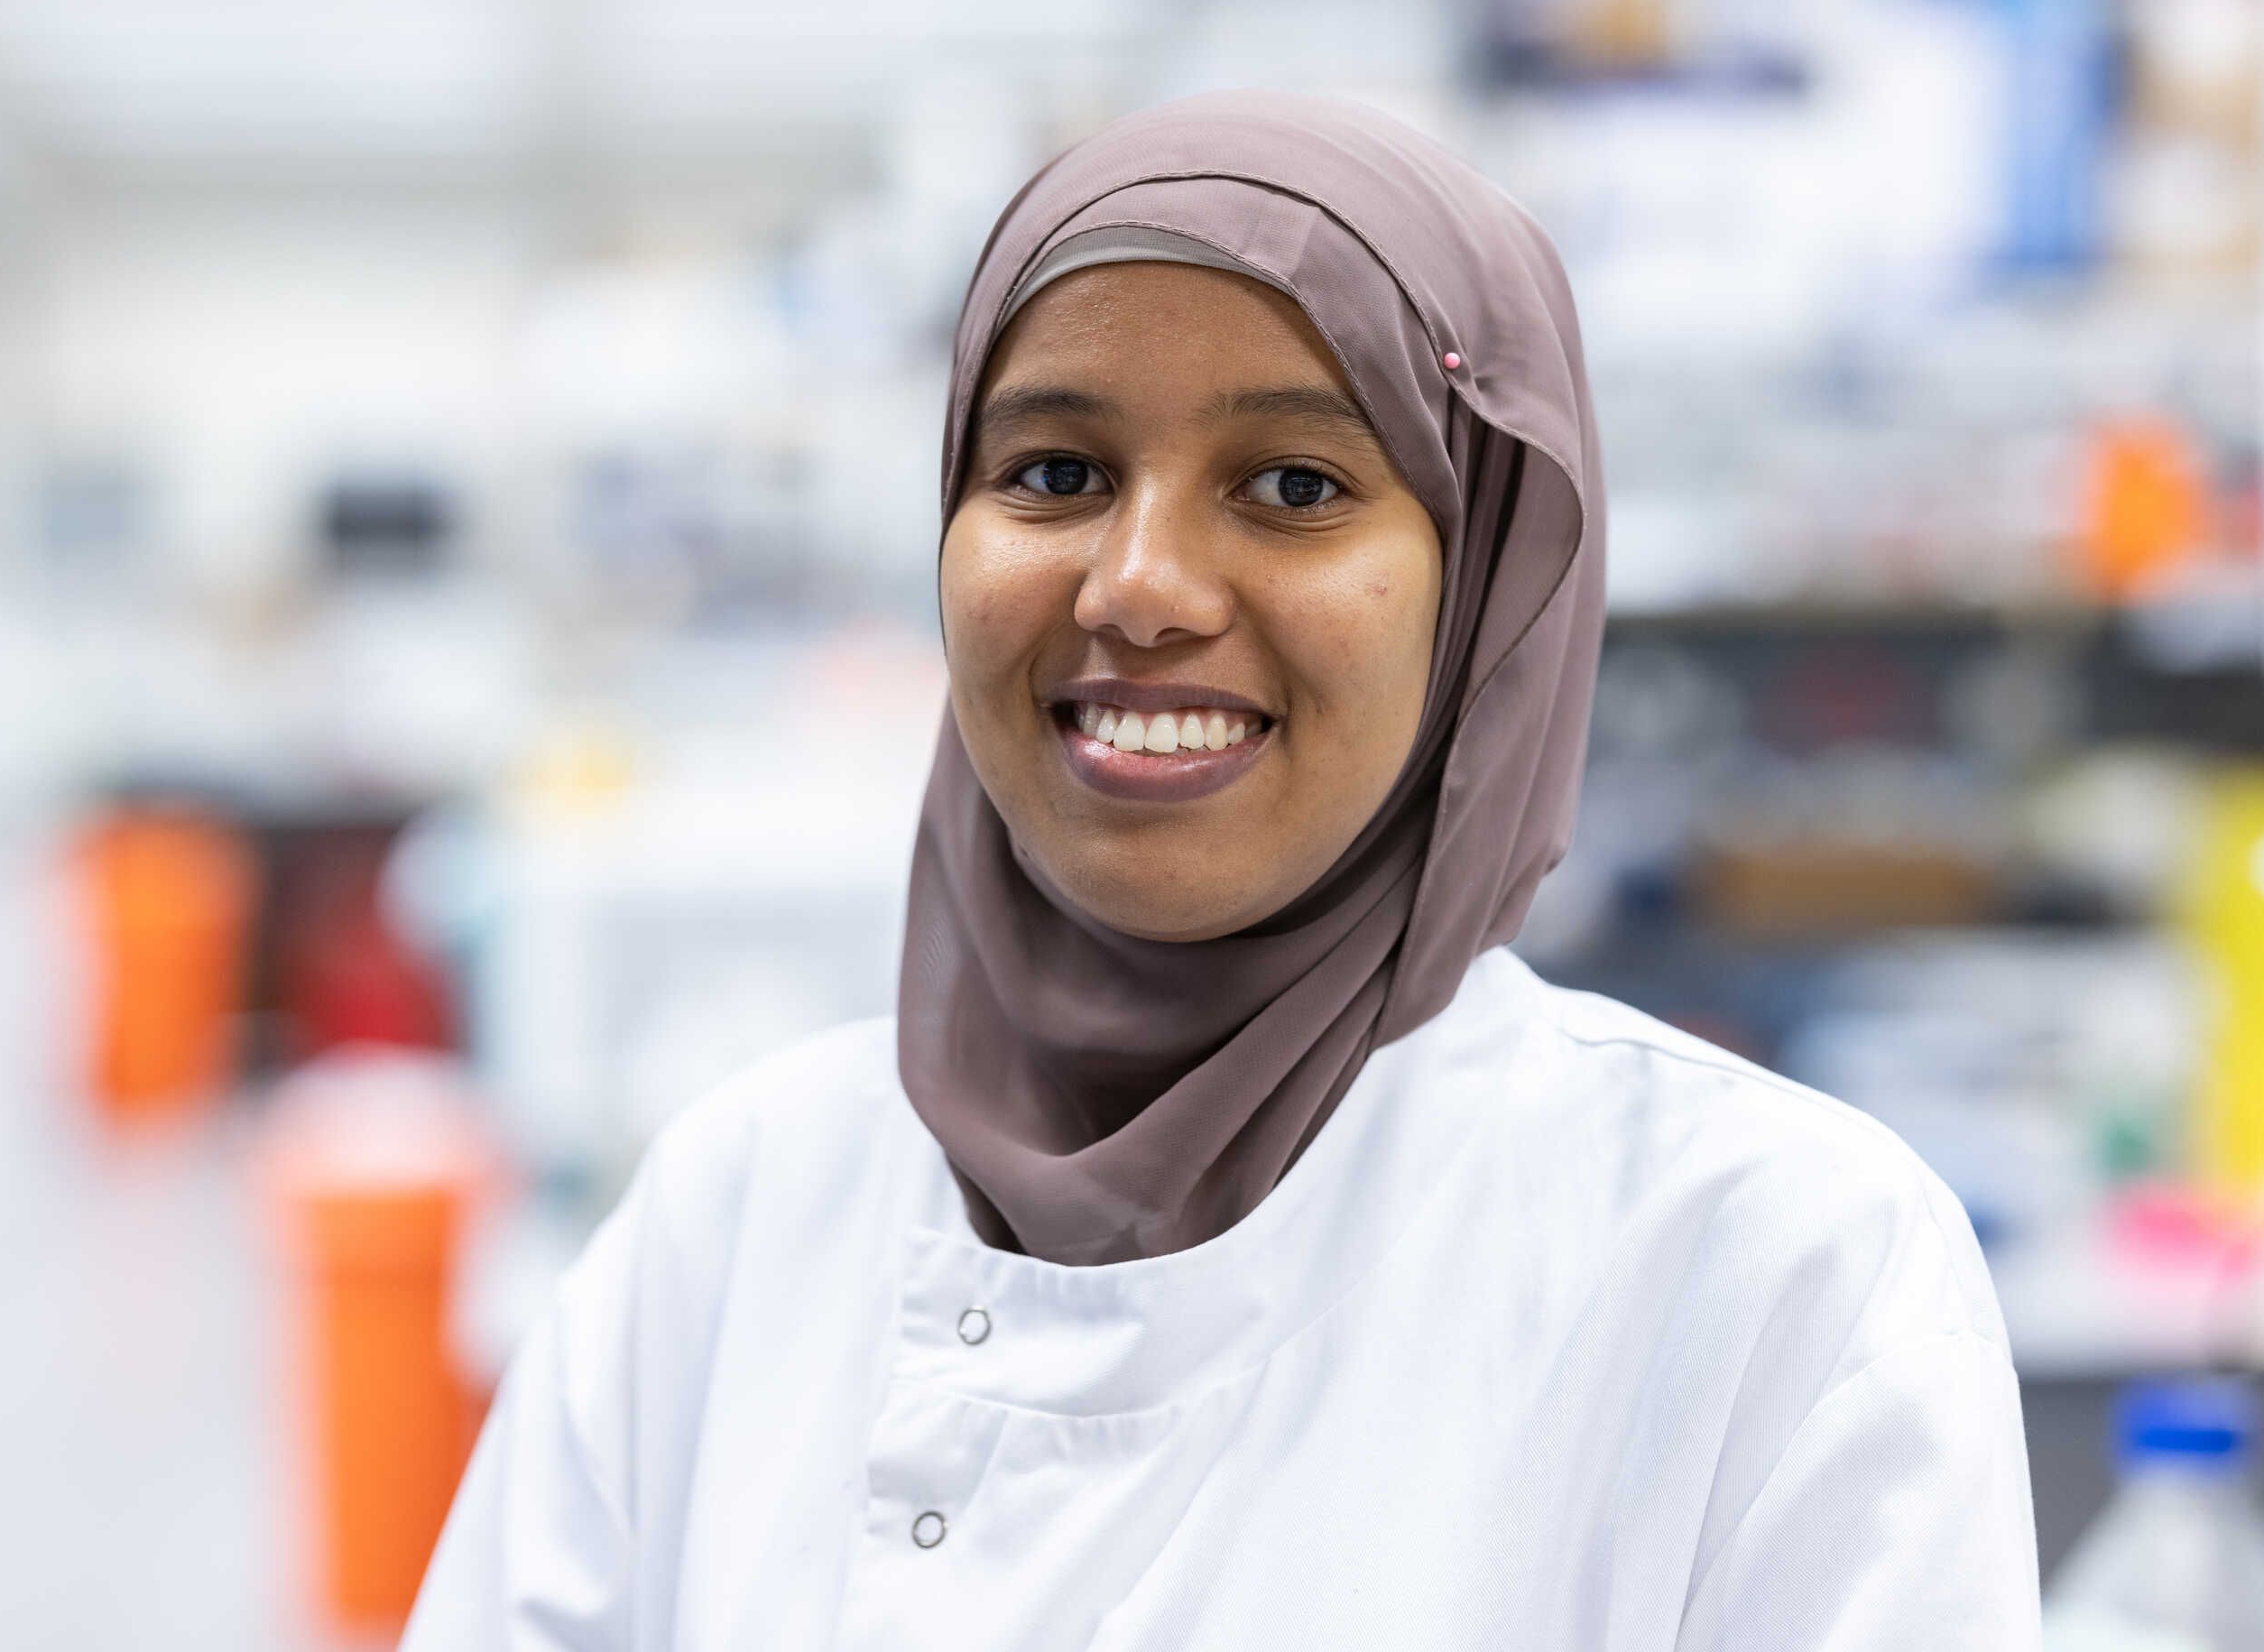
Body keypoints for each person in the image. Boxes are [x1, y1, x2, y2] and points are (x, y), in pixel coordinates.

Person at [401, 93, 2039, 1649]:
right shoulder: (739, 1215)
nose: (1141, 585)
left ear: (1490, 583)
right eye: (1054, 473)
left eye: (1295, 486)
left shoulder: (1769, 1268)